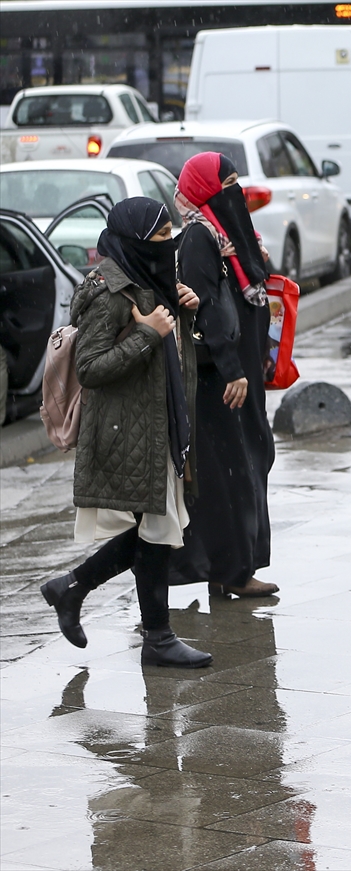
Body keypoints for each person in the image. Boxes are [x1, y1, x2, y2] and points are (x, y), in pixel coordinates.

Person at [39, 198, 212, 667]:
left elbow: (168, 354)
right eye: (161, 237)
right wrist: (148, 333)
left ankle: (73, 588)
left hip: (156, 424)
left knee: (157, 528)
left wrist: (183, 311)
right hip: (128, 428)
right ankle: (156, 636)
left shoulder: (146, 278)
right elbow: (91, 368)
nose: (169, 244)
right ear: (137, 241)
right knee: (158, 528)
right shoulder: (110, 293)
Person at [169, 152, 278, 598]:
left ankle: (230, 568)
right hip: (221, 379)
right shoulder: (200, 237)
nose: (235, 192)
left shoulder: (227, 235)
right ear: (205, 191)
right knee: (234, 473)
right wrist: (233, 369)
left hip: (243, 372)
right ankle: (232, 571)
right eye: (226, 185)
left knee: (251, 462)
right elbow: (206, 308)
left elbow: (250, 290)